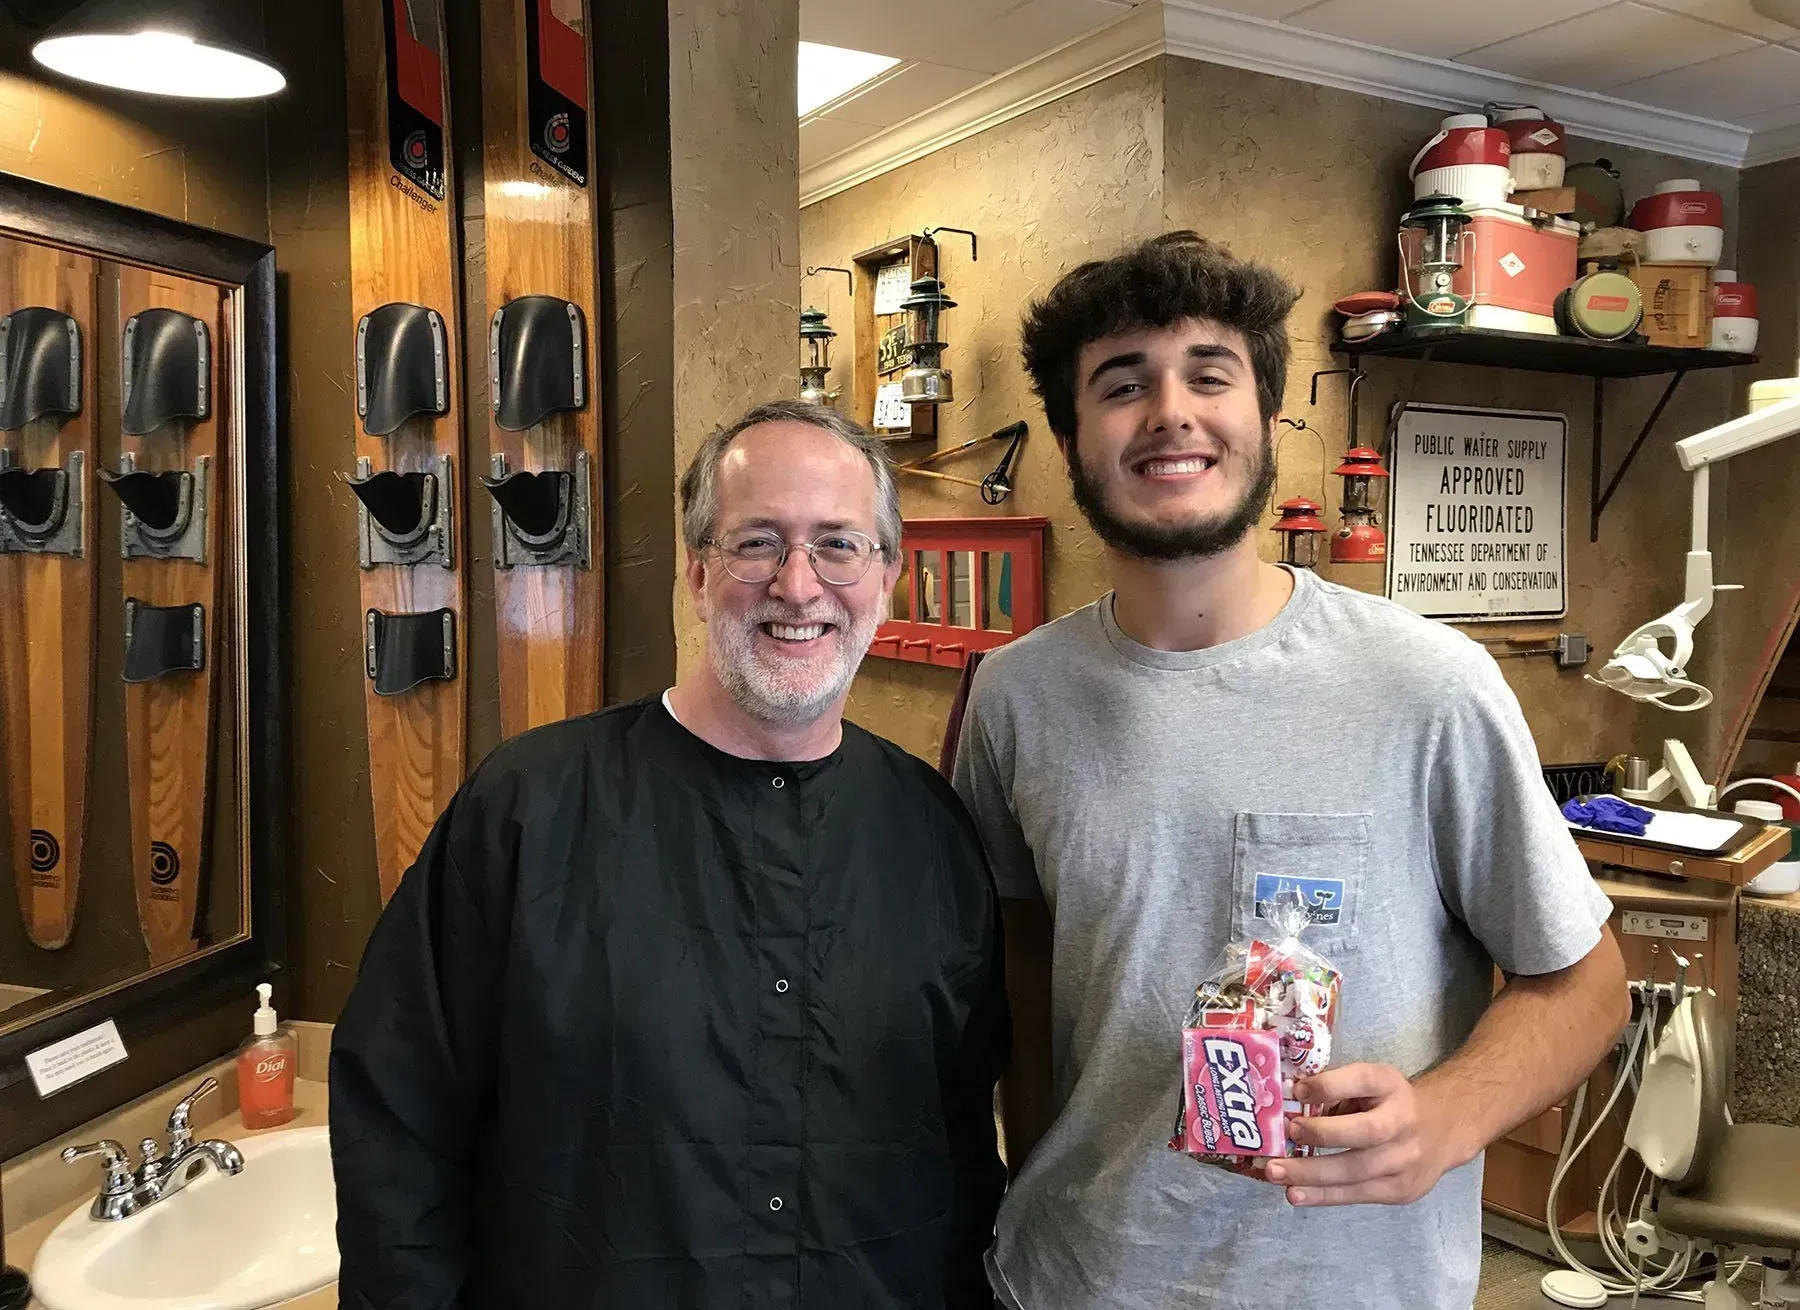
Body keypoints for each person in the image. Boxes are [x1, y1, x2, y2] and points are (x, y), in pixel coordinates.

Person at [952, 232, 1629, 1309]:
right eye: (1122, 384)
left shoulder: (1429, 686)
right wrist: (1029, 1186)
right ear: (1071, 440)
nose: (1170, 412)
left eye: (1209, 375)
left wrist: (1448, 1116)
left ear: (1267, 420)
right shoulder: (1013, 697)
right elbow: (1025, 972)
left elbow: (1586, 986)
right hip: (1075, 1277)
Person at [331, 400, 1008, 1309]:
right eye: (757, 543)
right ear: (697, 572)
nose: (798, 585)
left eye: (839, 545)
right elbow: (398, 1131)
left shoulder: (931, 832)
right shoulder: (527, 810)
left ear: (886, 576)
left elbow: (961, 1146)